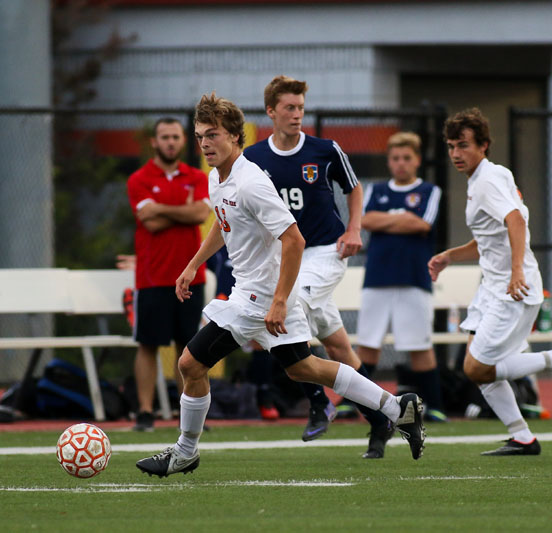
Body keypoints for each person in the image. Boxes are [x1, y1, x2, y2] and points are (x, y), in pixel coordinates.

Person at [135, 93, 425, 478]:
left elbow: (295, 240)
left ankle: (185, 452)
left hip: (263, 300)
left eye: (214, 135)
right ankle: (397, 408)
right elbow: (225, 227)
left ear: (236, 137)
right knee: (305, 368)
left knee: (191, 362)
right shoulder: (215, 178)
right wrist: (192, 265)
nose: (205, 143)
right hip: (250, 295)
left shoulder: (252, 182)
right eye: (200, 135)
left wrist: (279, 301)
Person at [243, 75, 394, 458]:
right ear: (271, 112)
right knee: (340, 348)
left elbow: (353, 187)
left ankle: (317, 401)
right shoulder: (254, 158)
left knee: (288, 313)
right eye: (289, 108)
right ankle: (381, 419)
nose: (297, 115)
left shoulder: (325, 149)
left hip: (325, 251)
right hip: (285, 258)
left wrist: (355, 228)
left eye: (301, 108)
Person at [428, 108, 552, 456]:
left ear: (484, 145)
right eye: (451, 146)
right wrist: (450, 256)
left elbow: (515, 221)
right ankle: (522, 437)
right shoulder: (490, 177)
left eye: (463, 145)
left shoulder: (486, 180)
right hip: (492, 288)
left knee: (476, 368)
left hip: (511, 290)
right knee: (479, 366)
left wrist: (517, 271)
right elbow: (490, 236)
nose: (456, 153)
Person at [353, 132, 447, 422]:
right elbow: (365, 220)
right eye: (395, 158)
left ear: (417, 160)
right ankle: (355, 404)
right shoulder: (376, 189)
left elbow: (421, 223)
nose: (401, 163)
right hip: (377, 278)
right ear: (389, 161)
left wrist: (388, 219)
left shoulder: (430, 191)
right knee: (368, 344)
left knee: (419, 344)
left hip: (414, 278)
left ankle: (434, 406)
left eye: (407, 158)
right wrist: (402, 217)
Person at [126, 117, 210, 431]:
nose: (171, 142)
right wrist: (181, 211)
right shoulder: (139, 178)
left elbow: (201, 213)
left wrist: (161, 208)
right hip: (153, 277)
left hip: (192, 275)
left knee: (189, 346)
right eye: (165, 137)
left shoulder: (197, 176)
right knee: (148, 344)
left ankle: (187, 413)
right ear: (154, 142)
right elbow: (148, 222)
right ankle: (145, 412)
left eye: (176, 136)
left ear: (183, 141)